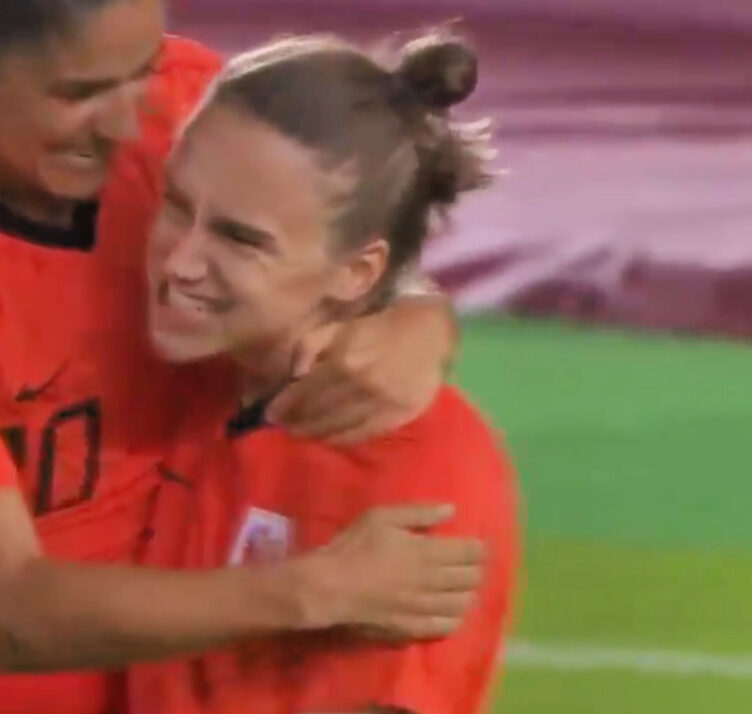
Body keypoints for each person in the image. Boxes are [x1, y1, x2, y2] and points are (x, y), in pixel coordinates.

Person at [0, 0, 475, 712]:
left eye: (138, 72)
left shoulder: (188, 107)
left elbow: (320, 233)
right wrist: (321, 588)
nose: (122, 121)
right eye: (77, 94)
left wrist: (416, 311)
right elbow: (14, 613)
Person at [126, 32, 517, 714]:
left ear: (355, 272)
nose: (179, 262)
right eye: (177, 206)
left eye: (241, 240)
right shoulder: (204, 380)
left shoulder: (417, 466)